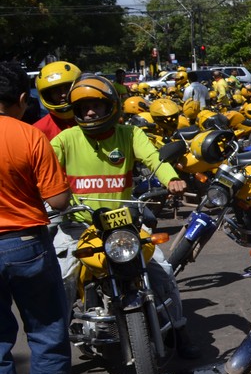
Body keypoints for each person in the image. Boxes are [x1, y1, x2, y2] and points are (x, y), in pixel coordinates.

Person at [48, 75, 197, 359]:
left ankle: (179, 330)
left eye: (96, 106)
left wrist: (172, 179)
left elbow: (155, 160)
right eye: (83, 108)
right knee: (61, 282)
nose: (90, 112)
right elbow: (44, 169)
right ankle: (54, 351)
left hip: (123, 224)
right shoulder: (65, 139)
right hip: (78, 225)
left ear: (110, 107)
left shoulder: (130, 135)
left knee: (162, 272)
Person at [0, 61, 73, 374]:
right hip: (26, 243)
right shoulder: (30, 136)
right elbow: (58, 200)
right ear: (23, 100)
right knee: (47, 334)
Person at [31, 61, 81, 141]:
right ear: (48, 95)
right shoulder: (37, 131)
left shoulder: (95, 119)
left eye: (67, 88)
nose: (63, 95)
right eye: (56, 91)